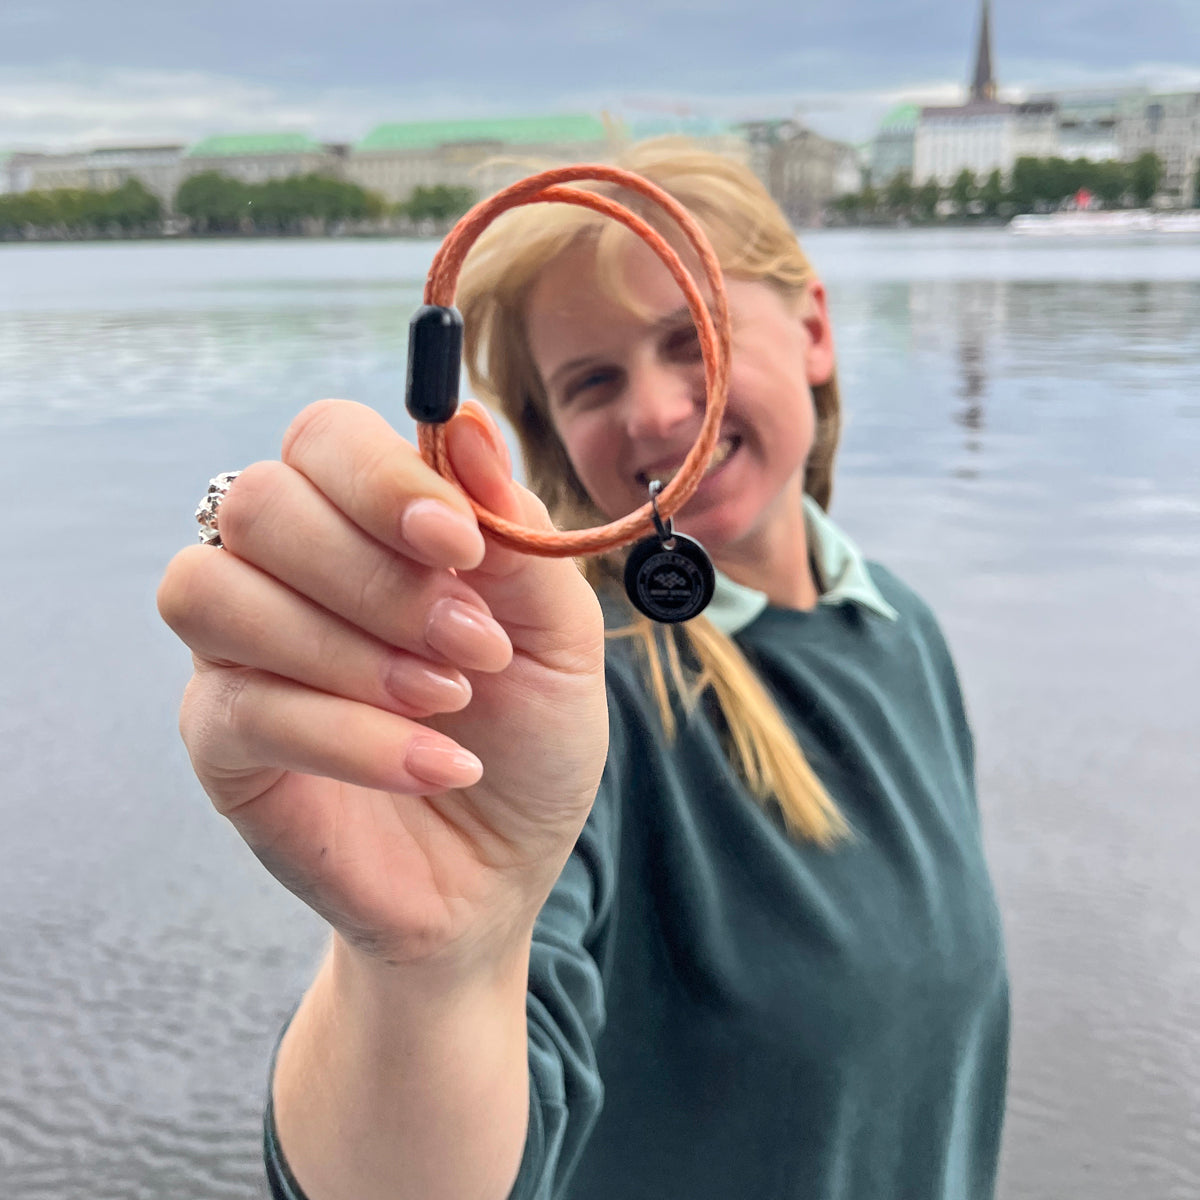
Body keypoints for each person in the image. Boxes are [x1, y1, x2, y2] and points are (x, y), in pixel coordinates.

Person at [157, 139, 1009, 1200]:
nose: (652, 411)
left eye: (690, 340)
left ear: (815, 330)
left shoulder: (897, 625)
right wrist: (432, 969)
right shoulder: (555, 700)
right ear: (553, 430)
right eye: (593, 380)